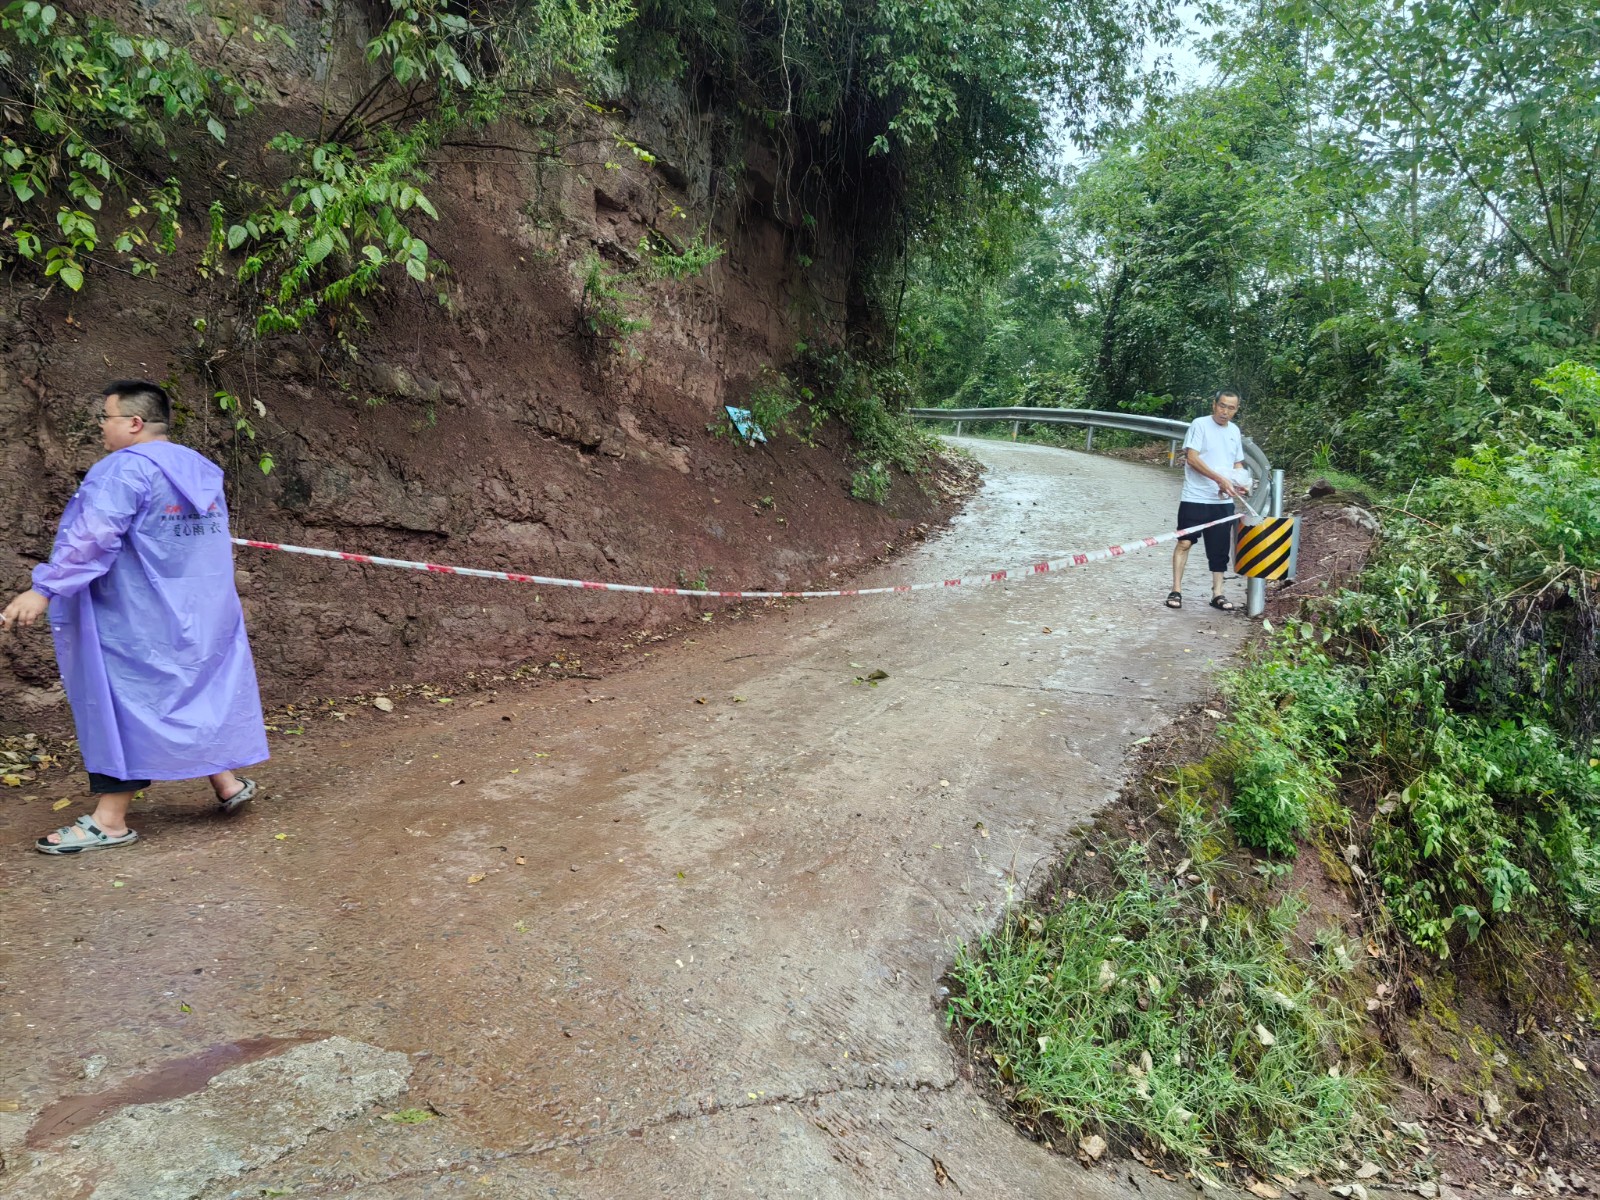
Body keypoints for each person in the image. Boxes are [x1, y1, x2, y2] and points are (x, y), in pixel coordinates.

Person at [1, 381, 268, 853]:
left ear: (134, 422)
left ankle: (110, 820)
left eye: (105, 417)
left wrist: (45, 589)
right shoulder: (201, 469)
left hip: (138, 613)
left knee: (120, 703)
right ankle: (225, 781)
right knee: (192, 691)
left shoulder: (122, 470)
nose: (101, 427)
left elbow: (93, 537)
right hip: (204, 612)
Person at [1166, 390, 1247, 611]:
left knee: (1219, 549)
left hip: (1222, 502)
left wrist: (1241, 482)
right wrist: (1218, 478)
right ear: (1214, 405)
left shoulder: (1234, 431)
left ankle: (1218, 593)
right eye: (1222, 406)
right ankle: (1176, 590)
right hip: (1195, 496)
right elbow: (1192, 458)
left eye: (1231, 408)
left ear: (1236, 410)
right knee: (1184, 542)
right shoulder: (1199, 425)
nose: (1225, 411)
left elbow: (1237, 463)